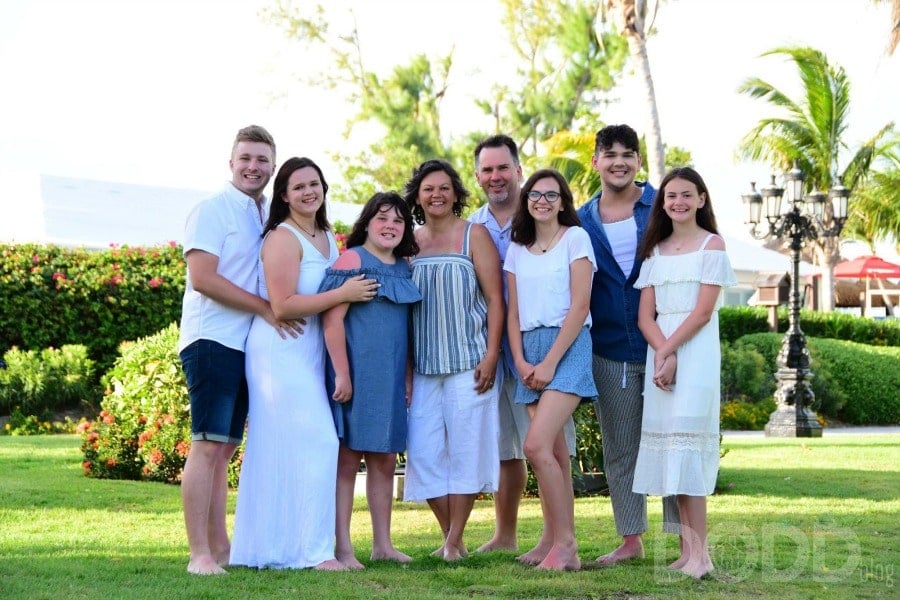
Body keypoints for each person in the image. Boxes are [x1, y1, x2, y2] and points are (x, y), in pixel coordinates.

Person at [229, 157, 379, 571]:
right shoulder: (282, 237)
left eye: (314, 184)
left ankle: (278, 549)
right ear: (284, 195)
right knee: (318, 442)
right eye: (298, 187)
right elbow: (283, 305)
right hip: (279, 353)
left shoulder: (327, 235)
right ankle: (313, 552)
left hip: (311, 353)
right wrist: (344, 293)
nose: (308, 192)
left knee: (294, 449)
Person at [178, 125, 302, 575]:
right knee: (207, 446)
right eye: (246, 158)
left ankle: (221, 548)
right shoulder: (212, 210)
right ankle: (199, 555)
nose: (253, 167)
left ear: (273, 166)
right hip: (211, 339)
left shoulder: (264, 213)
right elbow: (203, 278)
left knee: (224, 449)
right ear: (231, 162)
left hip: (242, 345)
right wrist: (267, 309)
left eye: (262, 160)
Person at [575, 124, 681, 565]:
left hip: (665, 345)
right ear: (596, 161)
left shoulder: (663, 206)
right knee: (620, 449)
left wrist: (674, 346)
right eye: (610, 154)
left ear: (638, 160)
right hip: (609, 349)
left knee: (673, 444)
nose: (619, 162)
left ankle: (683, 542)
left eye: (627, 154)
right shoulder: (580, 220)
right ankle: (631, 540)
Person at [469, 135, 577, 554]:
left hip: (538, 346)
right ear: (478, 176)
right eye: (487, 169)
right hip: (489, 348)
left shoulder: (541, 216)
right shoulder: (473, 226)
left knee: (548, 444)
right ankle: (505, 535)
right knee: (505, 448)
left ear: (518, 170)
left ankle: (557, 538)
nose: (495, 176)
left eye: (503, 168)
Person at [632, 167, 736, 579]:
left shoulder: (713, 246)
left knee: (689, 451)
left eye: (686, 195)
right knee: (672, 450)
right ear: (663, 203)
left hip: (695, 356)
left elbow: (703, 312)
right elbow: (645, 316)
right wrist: (663, 354)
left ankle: (702, 556)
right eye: (671, 195)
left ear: (701, 200)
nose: (678, 202)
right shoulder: (655, 251)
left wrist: (669, 351)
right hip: (662, 355)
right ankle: (688, 552)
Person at [402, 158, 503, 561]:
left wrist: (492, 354)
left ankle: (454, 540)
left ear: (456, 193)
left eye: (444, 187)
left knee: (466, 452)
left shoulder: (474, 235)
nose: (437, 195)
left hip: (470, 365)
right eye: (428, 189)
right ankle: (452, 538)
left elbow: (495, 299)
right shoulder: (409, 243)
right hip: (424, 369)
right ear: (417, 196)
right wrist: (406, 371)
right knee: (424, 454)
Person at [320, 192, 422, 569]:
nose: (390, 226)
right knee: (347, 462)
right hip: (355, 376)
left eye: (398, 220)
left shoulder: (404, 267)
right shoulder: (352, 259)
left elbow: (406, 329)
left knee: (385, 459)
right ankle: (343, 549)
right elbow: (331, 321)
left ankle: (383, 545)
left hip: (390, 377)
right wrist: (343, 374)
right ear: (367, 223)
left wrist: (407, 376)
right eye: (382, 218)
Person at [505, 168, 597, 571]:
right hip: (529, 350)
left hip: (567, 346)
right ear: (526, 201)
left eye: (551, 195)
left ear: (563, 202)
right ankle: (552, 540)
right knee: (554, 454)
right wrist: (520, 361)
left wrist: (550, 362)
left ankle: (566, 545)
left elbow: (580, 305)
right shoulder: (516, 248)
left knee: (535, 446)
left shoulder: (575, 239)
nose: (542, 201)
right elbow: (513, 312)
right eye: (535, 195)